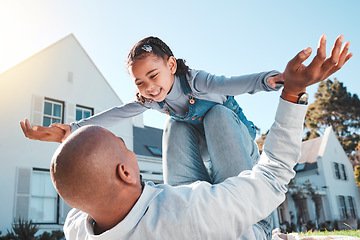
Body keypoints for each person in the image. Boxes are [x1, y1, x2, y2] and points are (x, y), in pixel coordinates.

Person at [47, 35, 351, 239]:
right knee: (176, 127)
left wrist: (273, 81)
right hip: (198, 154)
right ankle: (231, 217)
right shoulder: (151, 99)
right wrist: (73, 130)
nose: (149, 88)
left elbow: (233, 83)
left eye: (153, 76)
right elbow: (118, 113)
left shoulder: (197, 81)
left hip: (233, 133)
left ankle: (254, 220)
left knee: (214, 115)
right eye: (140, 83)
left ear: (171, 65)